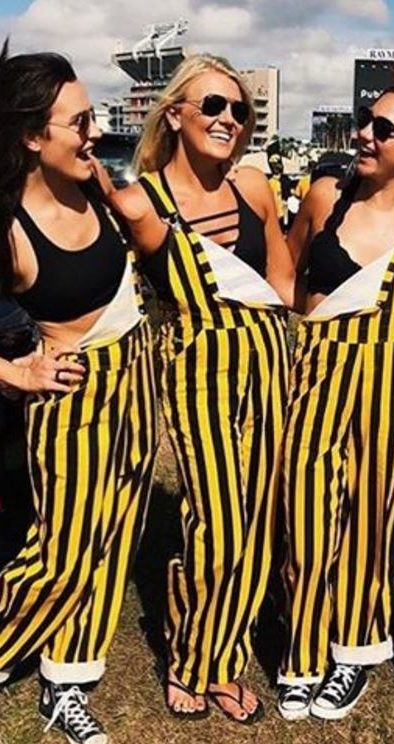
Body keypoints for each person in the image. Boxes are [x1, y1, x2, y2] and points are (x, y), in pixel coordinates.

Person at [106, 53, 294, 723]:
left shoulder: (255, 188)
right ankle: (191, 659)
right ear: (174, 114)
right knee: (218, 521)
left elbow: (284, 282)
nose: (229, 119)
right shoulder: (140, 200)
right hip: (198, 365)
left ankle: (224, 658)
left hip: (268, 359)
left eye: (240, 110)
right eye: (213, 105)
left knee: (259, 518)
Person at [276, 83, 394, 720]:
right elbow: (287, 277)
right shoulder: (325, 196)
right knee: (306, 516)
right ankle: (301, 654)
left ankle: (354, 651)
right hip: (318, 377)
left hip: (392, 389)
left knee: (370, 525)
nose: (364, 134)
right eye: (365, 120)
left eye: (383, 128)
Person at [0, 42, 158, 744]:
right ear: (33, 136)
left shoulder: (96, 185)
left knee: (114, 538)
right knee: (63, 553)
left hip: (135, 384)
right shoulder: (9, 227)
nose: (95, 133)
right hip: (73, 401)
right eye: (80, 122)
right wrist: (16, 373)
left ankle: (66, 679)